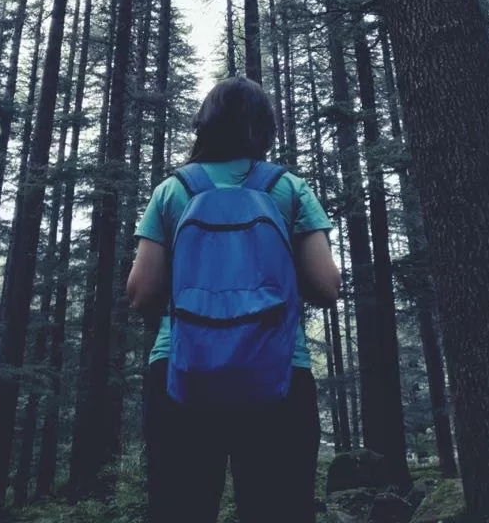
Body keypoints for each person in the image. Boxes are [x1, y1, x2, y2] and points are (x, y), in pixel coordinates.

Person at [127, 76, 341, 523]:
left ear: (204, 126)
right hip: (278, 373)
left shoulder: (174, 190)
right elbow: (325, 285)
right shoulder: (287, 188)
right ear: (264, 127)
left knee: (178, 511)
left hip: (181, 374)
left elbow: (141, 292)